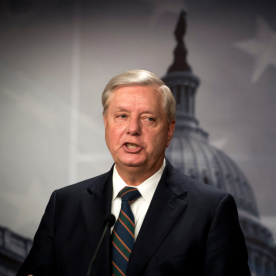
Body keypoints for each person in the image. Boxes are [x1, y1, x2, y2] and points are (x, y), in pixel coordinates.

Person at [17, 70, 250, 276]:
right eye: (122, 116)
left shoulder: (211, 210)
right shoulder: (64, 205)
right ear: (106, 124)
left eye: (148, 119)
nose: (133, 129)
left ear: (169, 131)